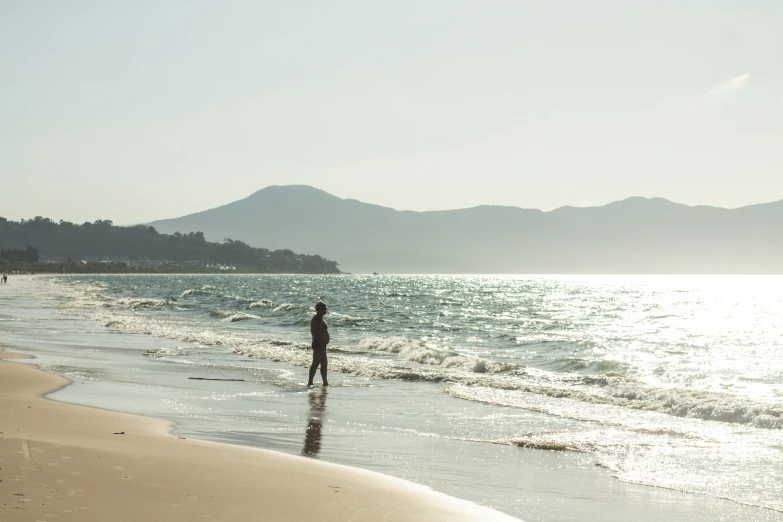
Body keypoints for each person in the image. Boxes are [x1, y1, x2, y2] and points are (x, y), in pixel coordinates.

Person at [308, 301, 330, 386]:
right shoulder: (317, 319)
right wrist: (320, 343)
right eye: (324, 308)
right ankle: (310, 382)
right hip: (318, 344)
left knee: (324, 364)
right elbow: (316, 333)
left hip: (321, 344)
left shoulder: (320, 318)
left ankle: (325, 382)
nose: (326, 310)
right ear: (319, 309)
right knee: (315, 363)